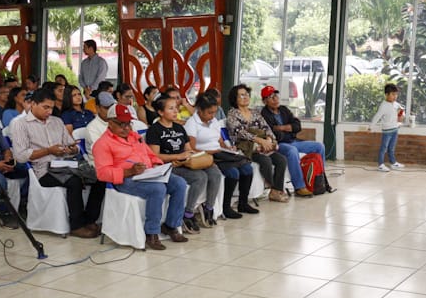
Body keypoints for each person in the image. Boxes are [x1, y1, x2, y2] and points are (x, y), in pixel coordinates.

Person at [11, 89, 105, 238]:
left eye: (52, 107)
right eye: (45, 107)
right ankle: (76, 225)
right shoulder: (20, 124)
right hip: (42, 170)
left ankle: (89, 219)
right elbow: (21, 156)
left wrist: (72, 149)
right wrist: (48, 151)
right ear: (33, 104)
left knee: (100, 177)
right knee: (74, 182)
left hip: (65, 164)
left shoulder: (57, 121)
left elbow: (70, 146)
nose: (49, 111)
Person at [93, 104, 188, 250]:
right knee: (157, 189)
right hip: (125, 179)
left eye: (128, 124)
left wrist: (157, 165)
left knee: (180, 183)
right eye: (121, 124)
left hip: (148, 174)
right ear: (110, 123)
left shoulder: (134, 136)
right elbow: (102, 173)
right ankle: (151, 233)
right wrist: (129, 172)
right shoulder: (102, 144)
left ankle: (171, 225)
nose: (126, 128)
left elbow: (150, 154)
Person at [260, 85, 333, 194]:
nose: (275, 99)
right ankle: (299, 186)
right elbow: (275, 135)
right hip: (279, 144)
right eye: (271, 97)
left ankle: (320, 180)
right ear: (265, 101)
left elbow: (297, 126)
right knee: (291, 151)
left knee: (319, 146)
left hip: (293, 141)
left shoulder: (283, 110)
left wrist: (281, 128)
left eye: (276, 95)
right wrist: (289, 129)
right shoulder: (264, 114)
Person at [225, 85, 289, 203]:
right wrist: (260, 140)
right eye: (242, 95)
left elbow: (267, 128)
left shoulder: (255, 113)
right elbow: (240, 133)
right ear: (235, 98)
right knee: (266, 161)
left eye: (247, 94)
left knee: (281, 159)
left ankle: (276, 190)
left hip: (262, 145)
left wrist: (269, 140)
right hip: (245, 148)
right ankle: (273, 188)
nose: (246, 97)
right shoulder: (232, 114)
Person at [181, 92, 227, 227]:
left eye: (214, 112)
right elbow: (191, 148)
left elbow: (220, 140)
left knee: (216, 175)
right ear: (199, 111)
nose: (212, 116)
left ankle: (209, 208)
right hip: (198, 158)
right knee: (201, 177)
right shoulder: (191, 123)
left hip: (212, 155)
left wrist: (228, 148)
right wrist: (208, 152)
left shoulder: (213, 121)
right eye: (209, 113)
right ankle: (188, 213)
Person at [0, 112, 28, 228]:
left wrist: (7, 159)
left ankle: (24, 204)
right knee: (0, 182)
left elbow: (6, 148)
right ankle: (4, 212)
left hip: (0, 160)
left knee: (27, 168)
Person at [369, 83, 405, 172]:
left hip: (395, 130)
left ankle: (393, 163)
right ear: (386, 94)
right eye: (393, 94)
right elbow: (377, 116)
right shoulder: (383, 105)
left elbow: (401, 113)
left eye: (396, 94)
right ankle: (380, 165)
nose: (395, 96)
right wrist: (371, 127)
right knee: (383, 148)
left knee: (391, 148)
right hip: (387, 131)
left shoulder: (396, 104)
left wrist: (401, 114)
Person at [84, 91, 116, 164]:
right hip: (100, 165)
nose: (111, 111)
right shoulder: (92, 128)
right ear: (97, 108)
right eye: (107, 108)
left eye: (112, 107)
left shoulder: (118, 122)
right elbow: (102, 152)